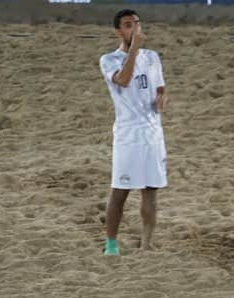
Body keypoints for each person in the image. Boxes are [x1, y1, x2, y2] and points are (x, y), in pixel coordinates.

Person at [99, 9, 169, 256]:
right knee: (120, 191)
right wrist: (134, 51)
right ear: (118, 31)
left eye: (137, 23)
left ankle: (147, 244)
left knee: (150, 191)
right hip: (128, 135)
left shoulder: (152, 57)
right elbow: (124, 80)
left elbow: (159, 87)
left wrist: (161, 98)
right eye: (128, 25)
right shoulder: (109, 60)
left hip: (152, 132)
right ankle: (111, 245)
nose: (135, 28)